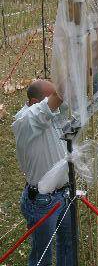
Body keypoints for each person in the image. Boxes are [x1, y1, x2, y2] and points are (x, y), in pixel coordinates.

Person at [12, 79, 74, 266]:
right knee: (42, 255)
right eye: (50, 101)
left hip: (64, 194)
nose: (55, 106)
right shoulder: (26, 121)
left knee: (68, 245)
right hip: (42, 202)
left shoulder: (50, 116)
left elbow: (67, 133)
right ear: (33, 102)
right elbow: (54, 101)